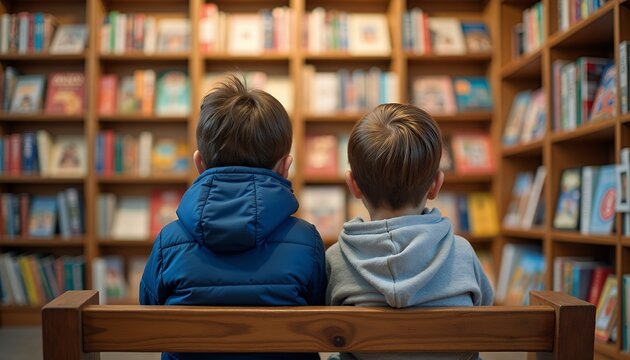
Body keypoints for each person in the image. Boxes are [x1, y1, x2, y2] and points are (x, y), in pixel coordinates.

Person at [140, 74, 327, 360]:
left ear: (199, 163)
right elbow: (318, 312)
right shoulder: (306, 240)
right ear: (285, 166)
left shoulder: (169, 241)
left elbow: (150, 316)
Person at [326, 103, 494, 360]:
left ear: (353, 185)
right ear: (436, 186)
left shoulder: (335, 259)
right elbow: (485, 318)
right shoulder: (463, 253)